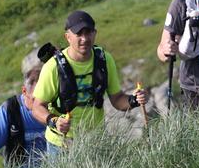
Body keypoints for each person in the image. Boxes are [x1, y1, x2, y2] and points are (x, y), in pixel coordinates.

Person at [31, 10, 147, 157]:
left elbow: (117, 99)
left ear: (95, 33)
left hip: (96, 141)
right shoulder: (53, 67)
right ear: (67, 37)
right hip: (61, 145)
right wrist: (54, 121)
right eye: (79, 34)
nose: (84, 39)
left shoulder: (104, 59)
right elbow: (37, 107)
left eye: (89, 32)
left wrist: (134, 100)